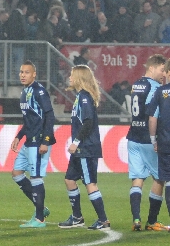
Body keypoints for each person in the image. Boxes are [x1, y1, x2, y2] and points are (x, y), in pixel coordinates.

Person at [58, 65, 110, 230]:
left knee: (90, 184)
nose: (70, 78)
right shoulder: (80, 96)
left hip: (86, 148)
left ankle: (103, 220)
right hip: (81, 150)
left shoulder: (84, 98)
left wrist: (76, 142)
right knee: (69, 180)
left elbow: (88, 123)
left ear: (79, 77)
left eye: (72, 75)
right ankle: (77, 217)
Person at [10, 61, 54, 228]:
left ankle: (39, 219)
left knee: (36, 177)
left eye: (26, 72)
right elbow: (29, 120)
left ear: (34, 74)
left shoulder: (39, 91)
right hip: (29, 140)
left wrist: (46, 140)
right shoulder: (25, 91)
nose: (22, 75)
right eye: (21, 72)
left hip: (39, 141)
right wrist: (19, 136)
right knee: (16, 173)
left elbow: (49, 116)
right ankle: (41, 208)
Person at [128, 54, 167, 231]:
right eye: (161, 69)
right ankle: (152, 221)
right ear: (152, 68)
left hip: (133, 136)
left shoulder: (136, 84)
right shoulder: (156, 87)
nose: (163, 73)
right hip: (147, 138)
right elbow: (154, 113)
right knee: (159, 178)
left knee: (137, 179)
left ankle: (136, 219)